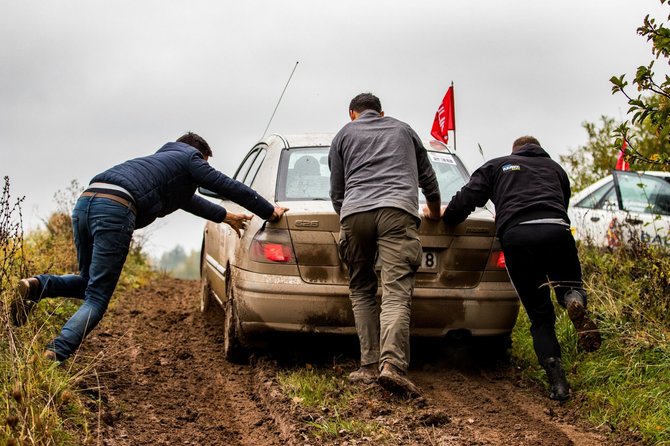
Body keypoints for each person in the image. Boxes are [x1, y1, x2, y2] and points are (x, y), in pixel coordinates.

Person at [11, 132, 287, 362]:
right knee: (97, 297)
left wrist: (225, 216)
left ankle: (36, 286)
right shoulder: (190, 157)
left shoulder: (161, 161)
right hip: (116, 209)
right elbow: (229, 186)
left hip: (87, 201)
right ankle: (55, 354)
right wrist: (268, 211)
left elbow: (187, 200)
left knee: (86, 282)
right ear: (199, 155)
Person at [431, 135, 601, 402]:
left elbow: (467, 198)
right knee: (570, 284)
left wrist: (449, 217)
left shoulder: (498, 166)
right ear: (538, 149)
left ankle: (559, 384)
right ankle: (572, 299)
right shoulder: (556, 169)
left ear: (515, 150)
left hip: (518, 236)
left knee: (540, 315)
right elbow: (563, 204)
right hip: (557, 230)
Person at [329, 93, 441, 397]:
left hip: (354, 213)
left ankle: (368, 365)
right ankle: (391, 365)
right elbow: (429, 181)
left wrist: (349, 220)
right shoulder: (404, 130)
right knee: (395, 292)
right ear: (381, 112)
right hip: (397, 212)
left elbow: (337, 192)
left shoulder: (342, 135)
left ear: (351, 113)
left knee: (361, 288)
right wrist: (436, 210)